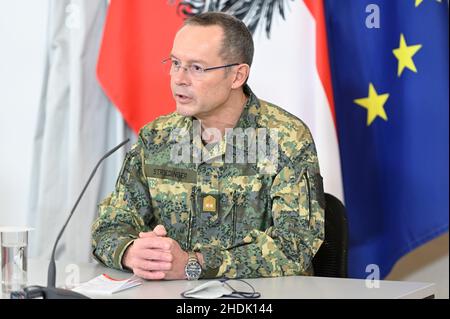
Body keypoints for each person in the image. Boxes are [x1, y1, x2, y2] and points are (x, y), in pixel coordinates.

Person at [91, 12, 325, 280]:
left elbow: (295, 247)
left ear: (237, 76)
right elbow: (109, 227)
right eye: (175, 63)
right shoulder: (156, 137)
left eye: (197, 68)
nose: (179, 78)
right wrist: (132, 252)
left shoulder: (286, 138)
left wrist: (194, 265)